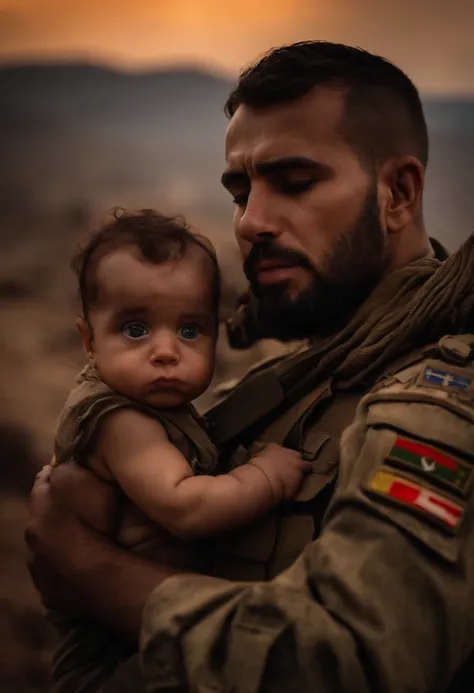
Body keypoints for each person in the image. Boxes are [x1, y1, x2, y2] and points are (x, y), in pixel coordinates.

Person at [26, 41, 474, 693]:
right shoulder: (281, 386)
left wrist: (95, 572)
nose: (251, 222)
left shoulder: (443, 401)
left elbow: (345, 662)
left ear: (399, 194)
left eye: (295, 183)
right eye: (240, 192)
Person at [47, 209, 309, 692]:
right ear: (89, 340)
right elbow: (186, 507)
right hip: (112, 658)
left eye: (190, 331)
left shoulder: (147, 403)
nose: (166, 350)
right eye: (135, 330)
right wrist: (265, 478)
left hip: (150, 624)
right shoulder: (122, 421)